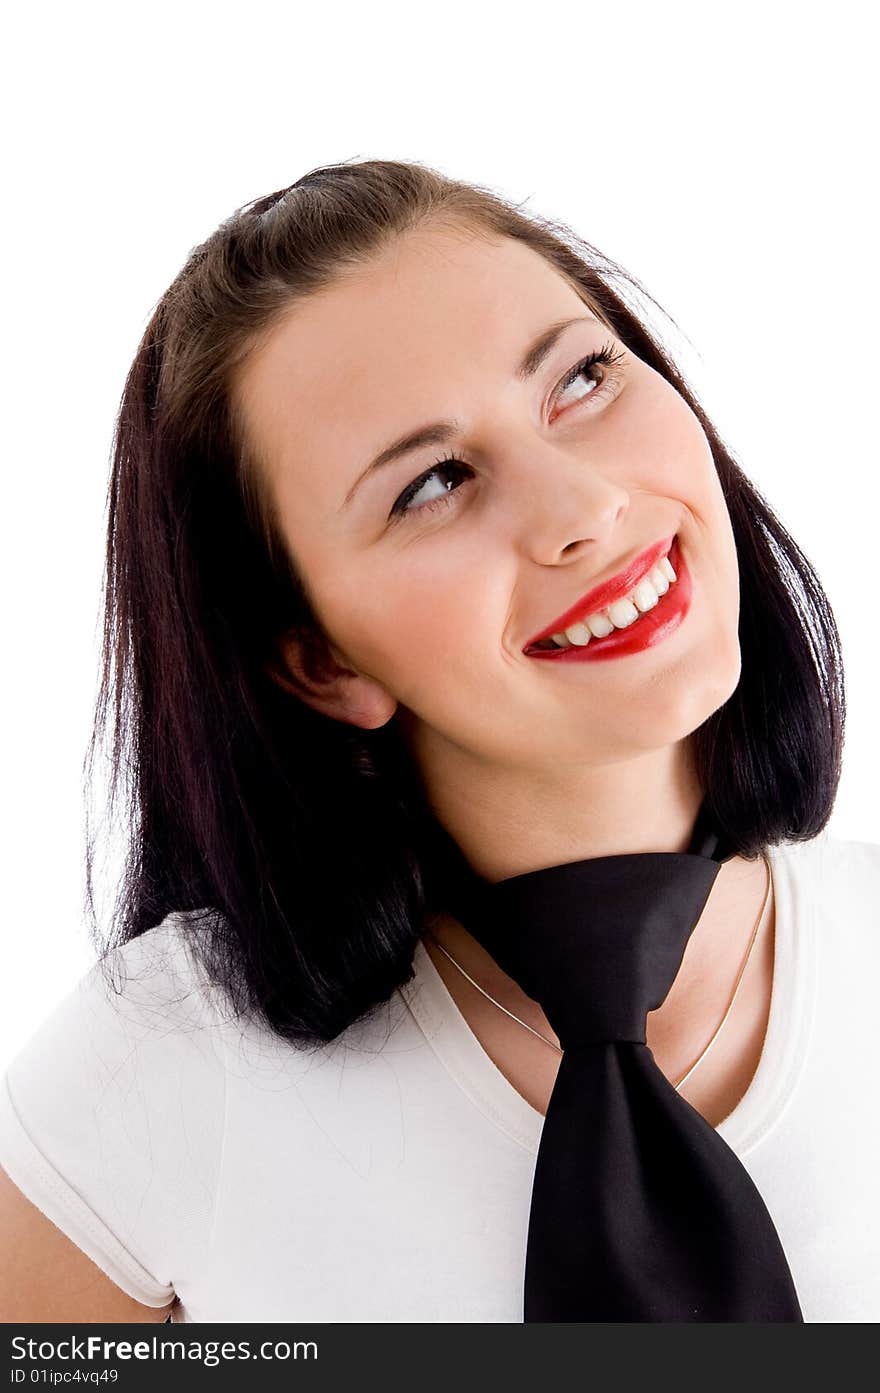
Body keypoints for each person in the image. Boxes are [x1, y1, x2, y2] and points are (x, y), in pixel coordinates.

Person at [1, 158, 877, 1324]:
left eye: (580, 377)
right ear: (321, 659)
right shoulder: (166, 1066)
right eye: (434, 483)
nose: (582, 509)